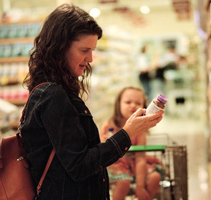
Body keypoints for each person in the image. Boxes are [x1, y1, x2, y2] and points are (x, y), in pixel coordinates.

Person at [21, 4, 164, 200]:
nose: (90, 58)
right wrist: (128, 133)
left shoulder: (53, 89)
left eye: (93, 50)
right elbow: (80, 165)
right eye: (84, 50)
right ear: (60, 47)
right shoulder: (52, 96)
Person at [100, 87, 161, 200]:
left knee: (155, 177)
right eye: (128, 102)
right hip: (116, 164)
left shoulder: (140, 132)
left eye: (137, 103)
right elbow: (102, 151)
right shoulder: (109, 126)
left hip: (135, 165)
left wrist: (140, 186)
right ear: (118, 105)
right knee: (123, 182)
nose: (133, 105)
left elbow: (140, 159)